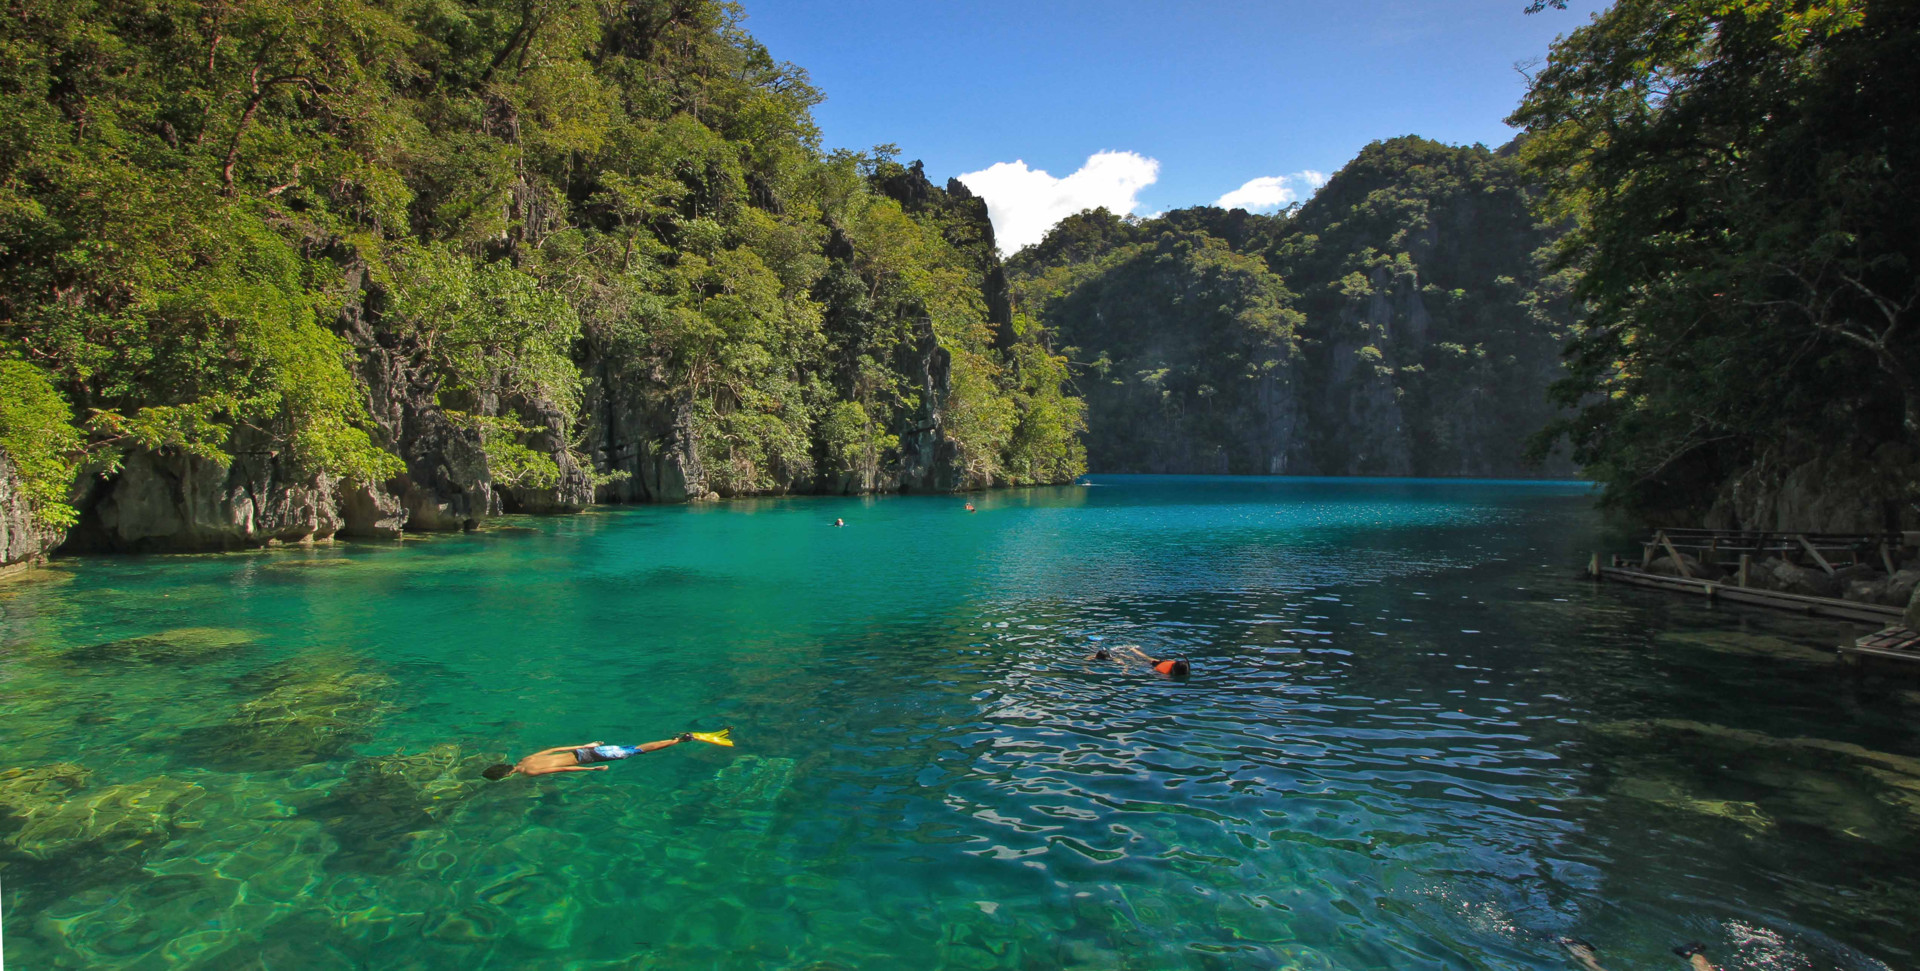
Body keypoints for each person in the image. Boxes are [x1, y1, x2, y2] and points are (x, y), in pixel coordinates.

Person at [482, 734, 692, 780]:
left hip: (591, 758)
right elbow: (554, 750)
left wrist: (592, 770)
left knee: (639, 750)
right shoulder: (526, 760)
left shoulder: (529, 772)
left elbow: (564, 769)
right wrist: (584, 745)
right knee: (634, 748)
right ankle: (677, 739)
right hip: (583, 751)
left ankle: (679, 740)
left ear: (506, 775)